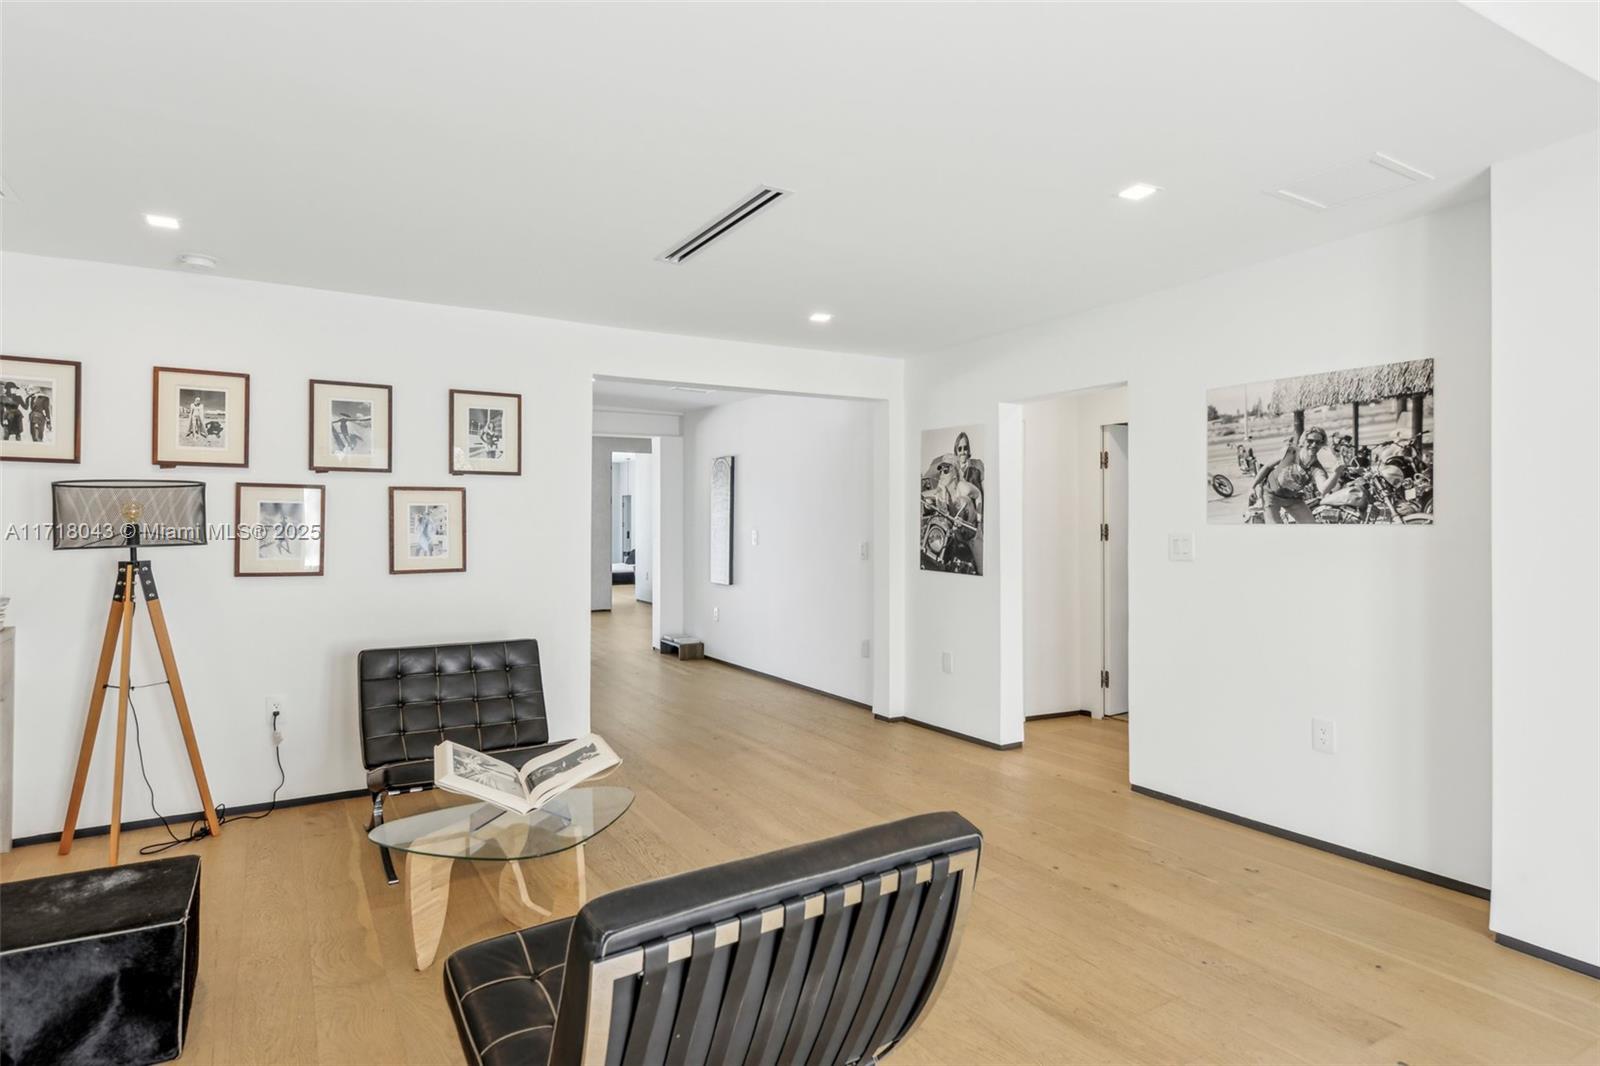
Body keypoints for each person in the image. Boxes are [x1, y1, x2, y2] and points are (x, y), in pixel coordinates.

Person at [1250, 427, 1337, 524]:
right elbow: (1267, 467)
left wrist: (1337, 472)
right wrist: (1253, 486)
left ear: (1322, 445)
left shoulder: (1317, 467)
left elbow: (1323, 489)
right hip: (1271, 495)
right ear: (1303, 441)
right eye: (1310, 441)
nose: (1313, 445)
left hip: (1293, 498)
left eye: (1318, 442)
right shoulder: (1289, 451)